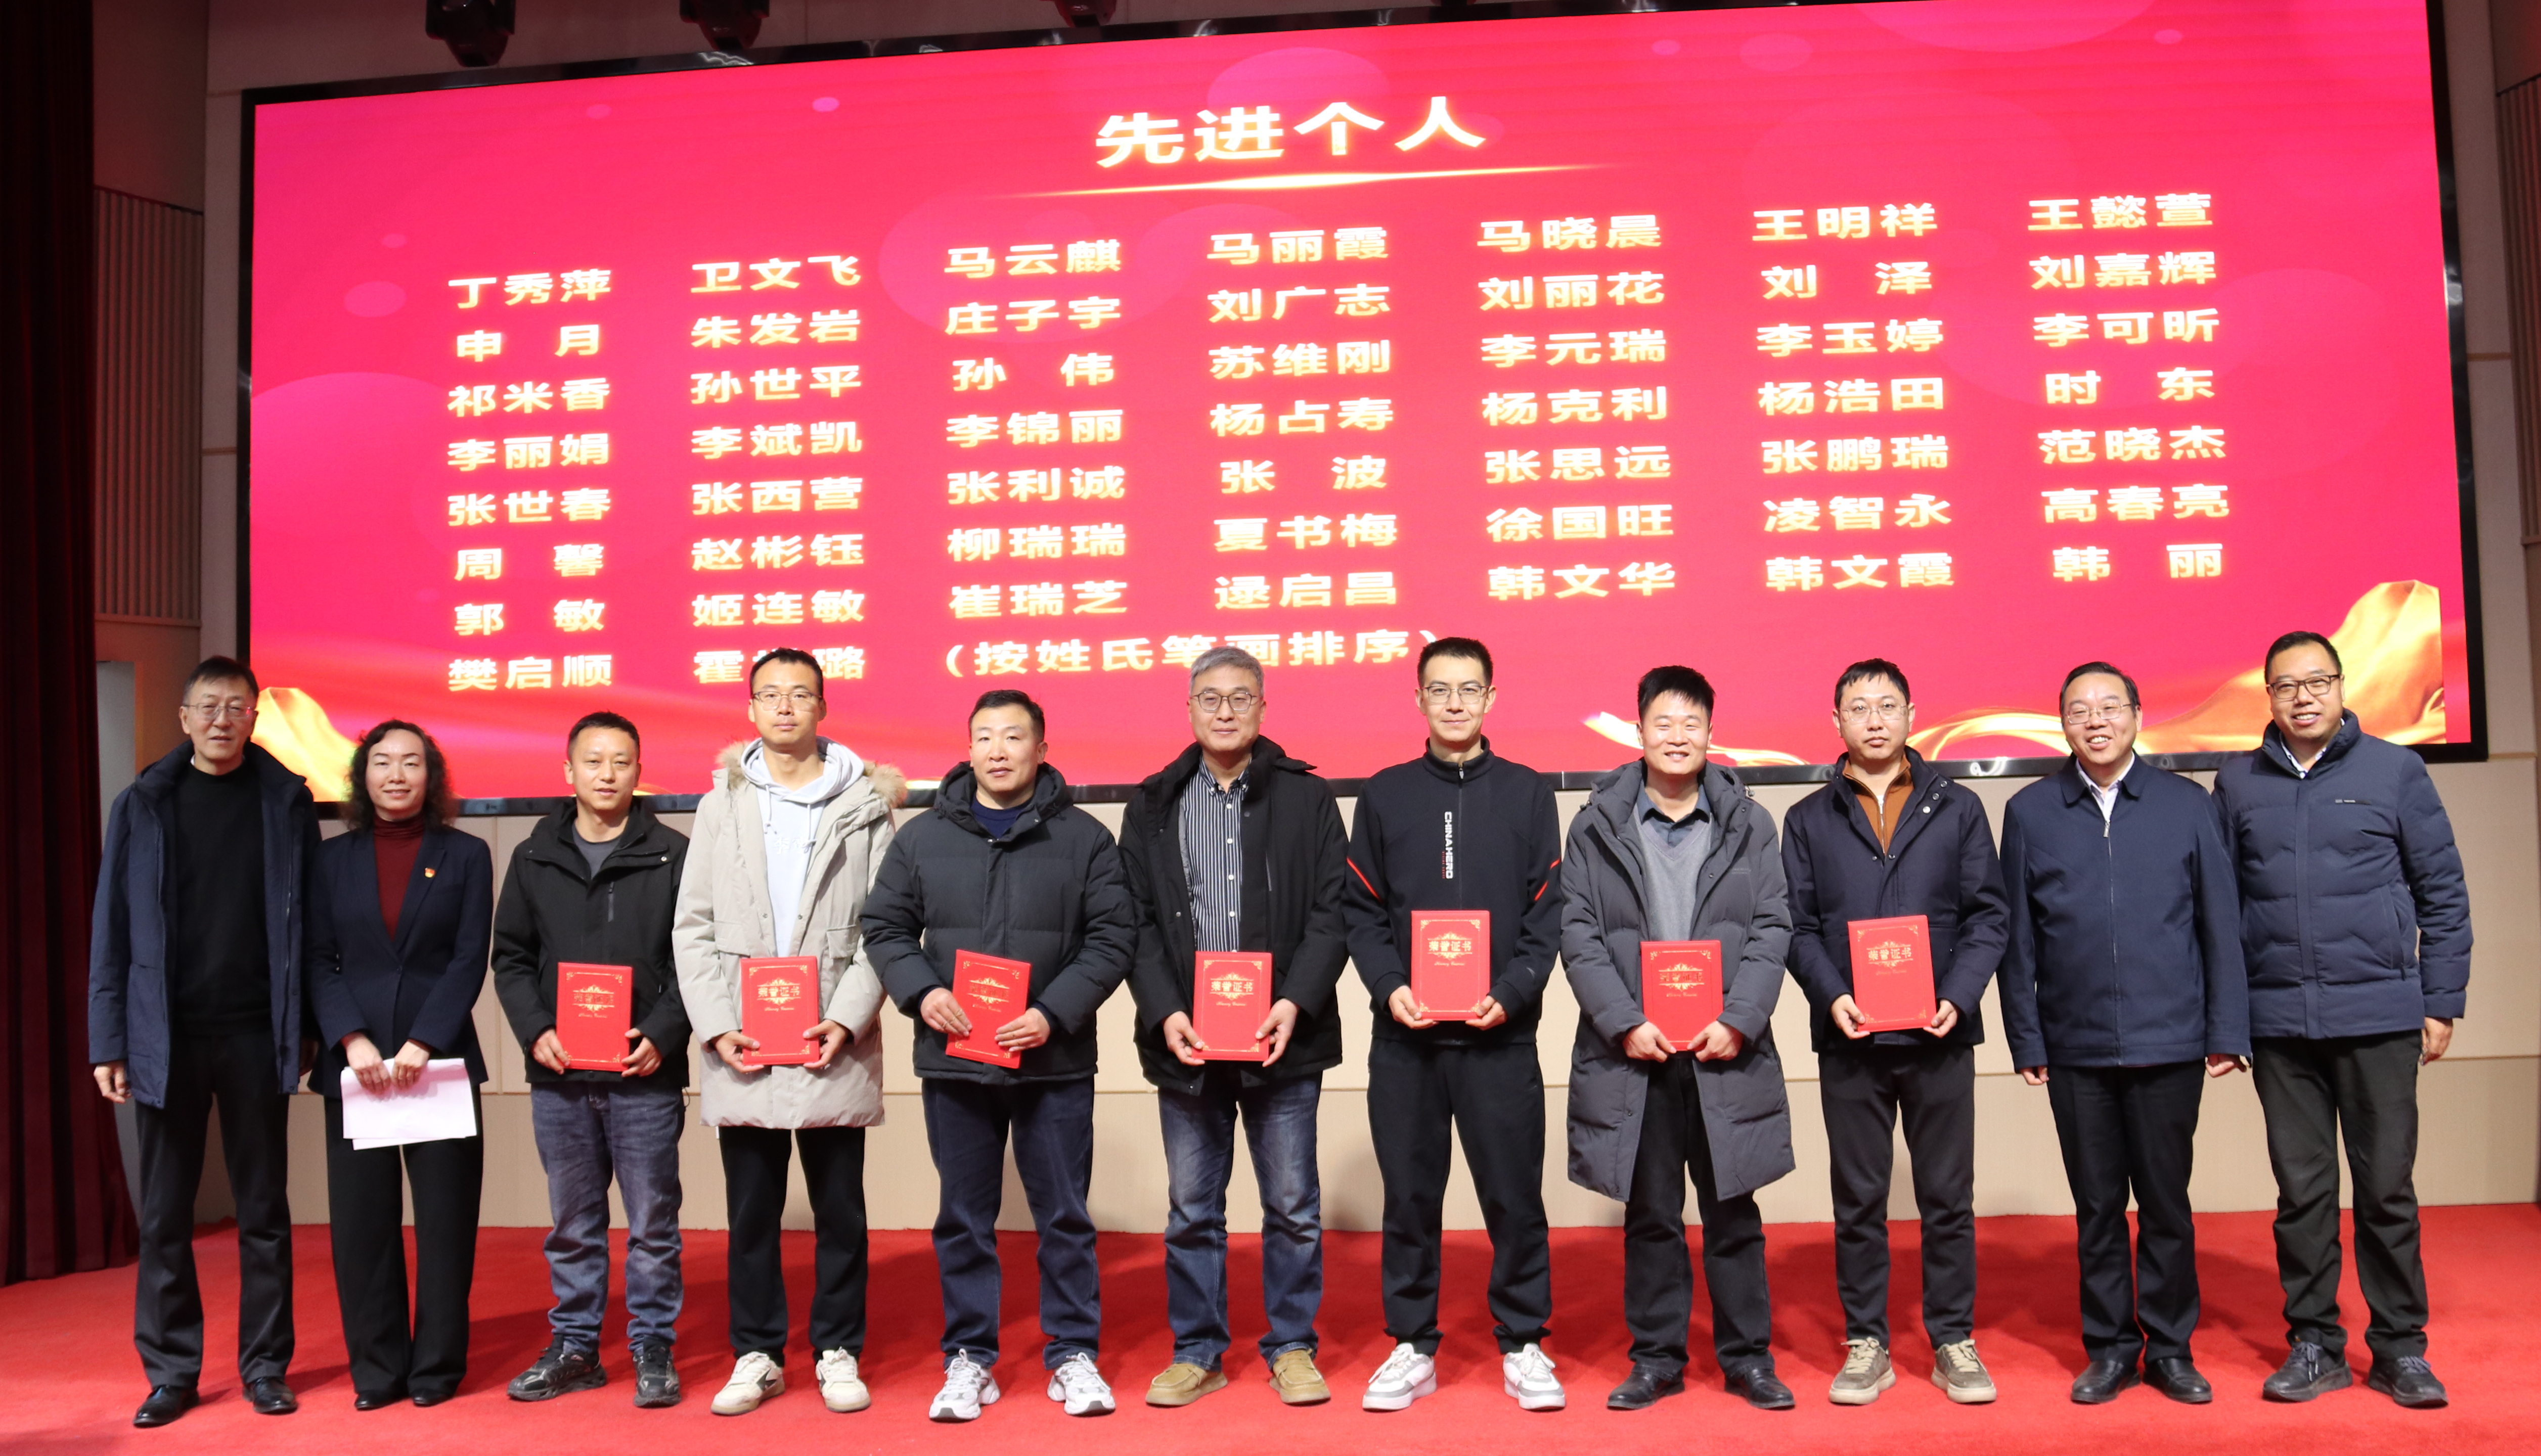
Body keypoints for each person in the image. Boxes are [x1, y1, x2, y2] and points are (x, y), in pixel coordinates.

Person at [863, 689, 1138, 1423]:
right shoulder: (922, 837)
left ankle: (1073, 1353)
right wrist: (922, 992)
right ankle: (969, 1358)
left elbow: (1114, 937)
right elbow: (885, 927)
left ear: (1041, 750)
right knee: (963, 1217)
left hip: (1054, 1062)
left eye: (1013, 737)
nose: (997, 750)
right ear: (968, 748)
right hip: (955, 1062)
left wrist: (1052, 1013)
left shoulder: (1085, 838)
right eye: (984, 736)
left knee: (1065, 1217)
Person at [2211, 630, 2471, 1409]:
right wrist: (2228, 1020)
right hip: (2278, 1021)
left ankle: (2399, 1348)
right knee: (2302, 1194)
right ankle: (2314, 1344)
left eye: (2316, 682)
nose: (2302, 697)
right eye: (2285, 685)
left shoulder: (2395, 770)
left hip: (2379, 1014)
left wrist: (2440, 999)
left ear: (2340, 685)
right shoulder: (2237, 783)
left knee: (2385, 1188)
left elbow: (2442, 893)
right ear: (2266, 695)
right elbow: (2218, 910)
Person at [1999, 661, 2250, 1405]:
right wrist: (2027, 1037)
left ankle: (2170, 1349)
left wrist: (2225, 1028)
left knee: (2166, 1205)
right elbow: (2017, 939)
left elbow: (2220, 925)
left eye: (2110, 707)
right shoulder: (2031, 811)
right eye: (2079, 710)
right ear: (2063, 725)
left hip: (2169, 1041)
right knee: (2097, 1207)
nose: (2096, 721)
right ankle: (2110, 1349)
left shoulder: (2185, 804)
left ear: (2138, 716)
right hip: (2074, 1046)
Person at [89, 656, 321, 1427]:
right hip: (167, 1036)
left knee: (264, 1210)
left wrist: (307, 1027)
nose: (223, 719)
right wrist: (109, 1039)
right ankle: (170, 1373)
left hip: (257, 1030)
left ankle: (266, 1366)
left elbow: (312, 922)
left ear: (255, 717)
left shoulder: (286, 800)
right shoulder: (143, 803)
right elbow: (111, 927)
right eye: (209, 707)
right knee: (164, 1214)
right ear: (184, 717)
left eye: (237, 707)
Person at [674, 649, 906, 1417]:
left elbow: (884, 925)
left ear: (822, 708)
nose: (784, 707)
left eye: (800, 694)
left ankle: (838, 1348)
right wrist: (716, 1026)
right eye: (769, 694)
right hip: (743, 1035)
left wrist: (847, 1016)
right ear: (750, 709)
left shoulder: (866, 803)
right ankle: (758, 1353)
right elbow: (693, 925)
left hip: (830, 1029)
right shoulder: (720, 803)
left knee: (841, 1209)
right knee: (750, 1213)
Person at [1118, 646, 1349, 1409]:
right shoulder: (1152, 803)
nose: (1225, 711)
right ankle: (1198, 1351)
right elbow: (1133, 921)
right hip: (1186, 1042)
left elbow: (1332, 912)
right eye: (1210, 698)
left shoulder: (1307, 800)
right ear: (1189, 709)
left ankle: (1292, 1345)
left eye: (1240, 698)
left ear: (1262, 707)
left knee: (1293, 1207)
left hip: (1283, 1037)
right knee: (1192, 1209)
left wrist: (1296, 1002)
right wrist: (1166, 1011)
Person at [1563, 666, 1797, 1413]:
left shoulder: (1749, 823)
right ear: (1638, 731)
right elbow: (1579, 935)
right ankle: (1656, 1358)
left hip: (1723, 1050)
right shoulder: (1596, 824)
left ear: (1710, 734)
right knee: (1650, 1216)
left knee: (1733, 1213)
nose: (1676, 737)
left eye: (1691, 724)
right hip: (1638, 1053)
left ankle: (1748, 1359)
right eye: (1662, 723)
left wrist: (1741, 1019)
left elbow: (1772, 927)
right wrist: (1624, 1023)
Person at [1342, 637, 1567, 1414]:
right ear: (1418, 699)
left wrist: (1511, 992)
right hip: (1404, 1040)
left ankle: (1524, 1341)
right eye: (1439, 689)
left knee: (1514, 1199)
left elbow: (1547, 916)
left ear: (1491, 698)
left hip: (1499, 1036)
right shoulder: (1384, 794)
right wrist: (1388, 987)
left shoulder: (1528, 793)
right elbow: (1361, 911)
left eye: (1469, 689)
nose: (1454, 703)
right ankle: (1412, 1345)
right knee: (1408, 1200)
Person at [1779, 660, 2007, 1405]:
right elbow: (1796, 926)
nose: (1874, 720)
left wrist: (1959, 995)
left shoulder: (1958, 807)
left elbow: (1987, 916)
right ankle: (1866, 1342)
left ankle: (1952, 1338)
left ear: (1912, 714)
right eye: (1858, 708)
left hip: (1939, 1033)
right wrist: (1832, 996)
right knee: (1858, 1198)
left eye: (1887, 706)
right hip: (1850, 1037)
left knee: (1947, 1197)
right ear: (1836, 721)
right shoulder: (1808, 818)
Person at [493, 711, 693, 1407]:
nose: (607, 774)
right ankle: (576, 1347)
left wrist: (663, 1032)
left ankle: (652, 1346)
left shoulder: (673, 854)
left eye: (621, 762)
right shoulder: (533, 855)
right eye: (594, 761)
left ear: (640, 771)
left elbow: (694, 960)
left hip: (644, 1072)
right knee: (572, 1224)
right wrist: (534, 1031)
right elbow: (511, 958)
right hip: (560, 1073)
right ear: (568, 771)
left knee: (653, 1223)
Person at [305, 720, 491, 1409]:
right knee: (363, 1229)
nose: (396, 775)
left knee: (445, 1226)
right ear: (363, 776)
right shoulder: (330, 859)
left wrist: (424, 1041)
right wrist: (351, 1039)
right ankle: (378, 1372)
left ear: (430, 776)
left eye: (411, 763)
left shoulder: (467, 855)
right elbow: (318, 958)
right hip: (356, 1071)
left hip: (437, 1066)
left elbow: (469, 958)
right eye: (382, 762)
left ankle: (436, 1369)